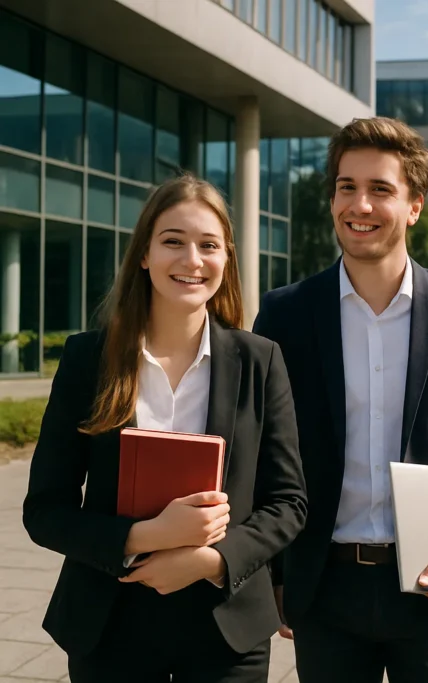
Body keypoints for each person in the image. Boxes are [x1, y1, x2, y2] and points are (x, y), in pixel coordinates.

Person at [252, 116, 428, 683]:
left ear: (414, 206)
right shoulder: (284, 314)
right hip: (324, 587)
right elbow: (263, 451)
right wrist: (272, 571)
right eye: (347, 186)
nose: (360, 204)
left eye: (381, 189)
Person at [22, 174, 308, 683]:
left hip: (227, 630)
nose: (192, 260)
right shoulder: (89, 359)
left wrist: (212, 560)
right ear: (144, 255)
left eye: (209, 245)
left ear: (227, 259)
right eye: (173, 241)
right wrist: (143, 536)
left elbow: (288, 503)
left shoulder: (260, 360)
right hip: (109, 622)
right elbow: (44, 510)